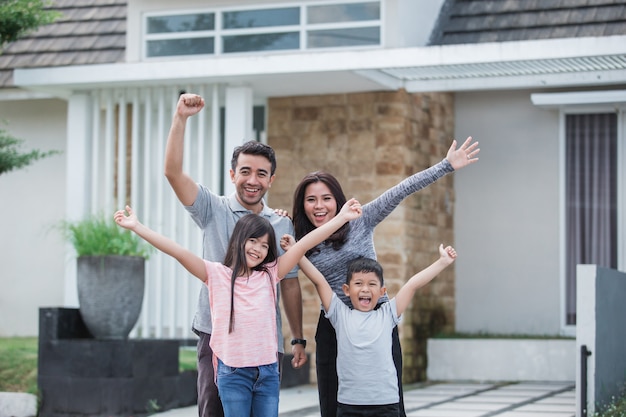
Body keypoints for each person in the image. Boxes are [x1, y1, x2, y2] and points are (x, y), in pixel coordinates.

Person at [114, 200, 362, 417]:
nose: (258, 249)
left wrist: (341, 217)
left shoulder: (270, 274)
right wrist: (137, 226)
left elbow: (304, 244)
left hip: (267, 374)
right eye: (253, 241)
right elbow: (178, 252)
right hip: (233, 374)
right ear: (239, 240)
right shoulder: (216, 274)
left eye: (265, 245)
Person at [290, 136, 479, 417]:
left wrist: (445, 166)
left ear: (338, 200)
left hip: (377, 320)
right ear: (302, 205)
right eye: (311, 200)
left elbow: (401, 190)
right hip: (335, 322)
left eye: (327, 198)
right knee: (332, 402)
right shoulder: (300, 238)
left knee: (389, 400)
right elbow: (287, 269)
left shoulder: (360, 219)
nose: (320, 206)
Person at [164, 93, 307, 417]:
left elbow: (289, 282)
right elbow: (173, 173)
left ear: (271, 179)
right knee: (213, 413)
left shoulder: (281, 222)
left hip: (263, 343)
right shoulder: (212, 208)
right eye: (245, 171)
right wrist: (181, 119)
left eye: (261, 174)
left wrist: (297, 337)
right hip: (216, 336)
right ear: (232, 175)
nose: (252, 180)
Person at [281, 236, 457, 417]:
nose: (365, 289)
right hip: (349, 405)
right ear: (346, 290)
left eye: (372, 284)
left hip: (386, 404)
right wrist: (296, 251)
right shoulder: (339, 314)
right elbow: (319, 280)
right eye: (358, 283)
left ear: (382, 292)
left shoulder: (388, 314)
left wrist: (442, 262)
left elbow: (412, 285)